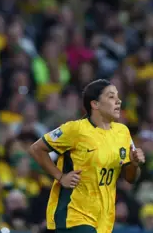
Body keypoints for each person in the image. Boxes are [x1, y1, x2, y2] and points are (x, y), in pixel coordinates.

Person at [29, 79, 146, 233]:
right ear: (95, 104)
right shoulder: (76, 129)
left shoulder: (122, 132)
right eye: (111, 97)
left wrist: (134, 163)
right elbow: (36, 149)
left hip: (103, 217)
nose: (118, 101)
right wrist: (61, 176)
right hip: (74, 213)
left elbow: (131, 178)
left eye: (117, 96)